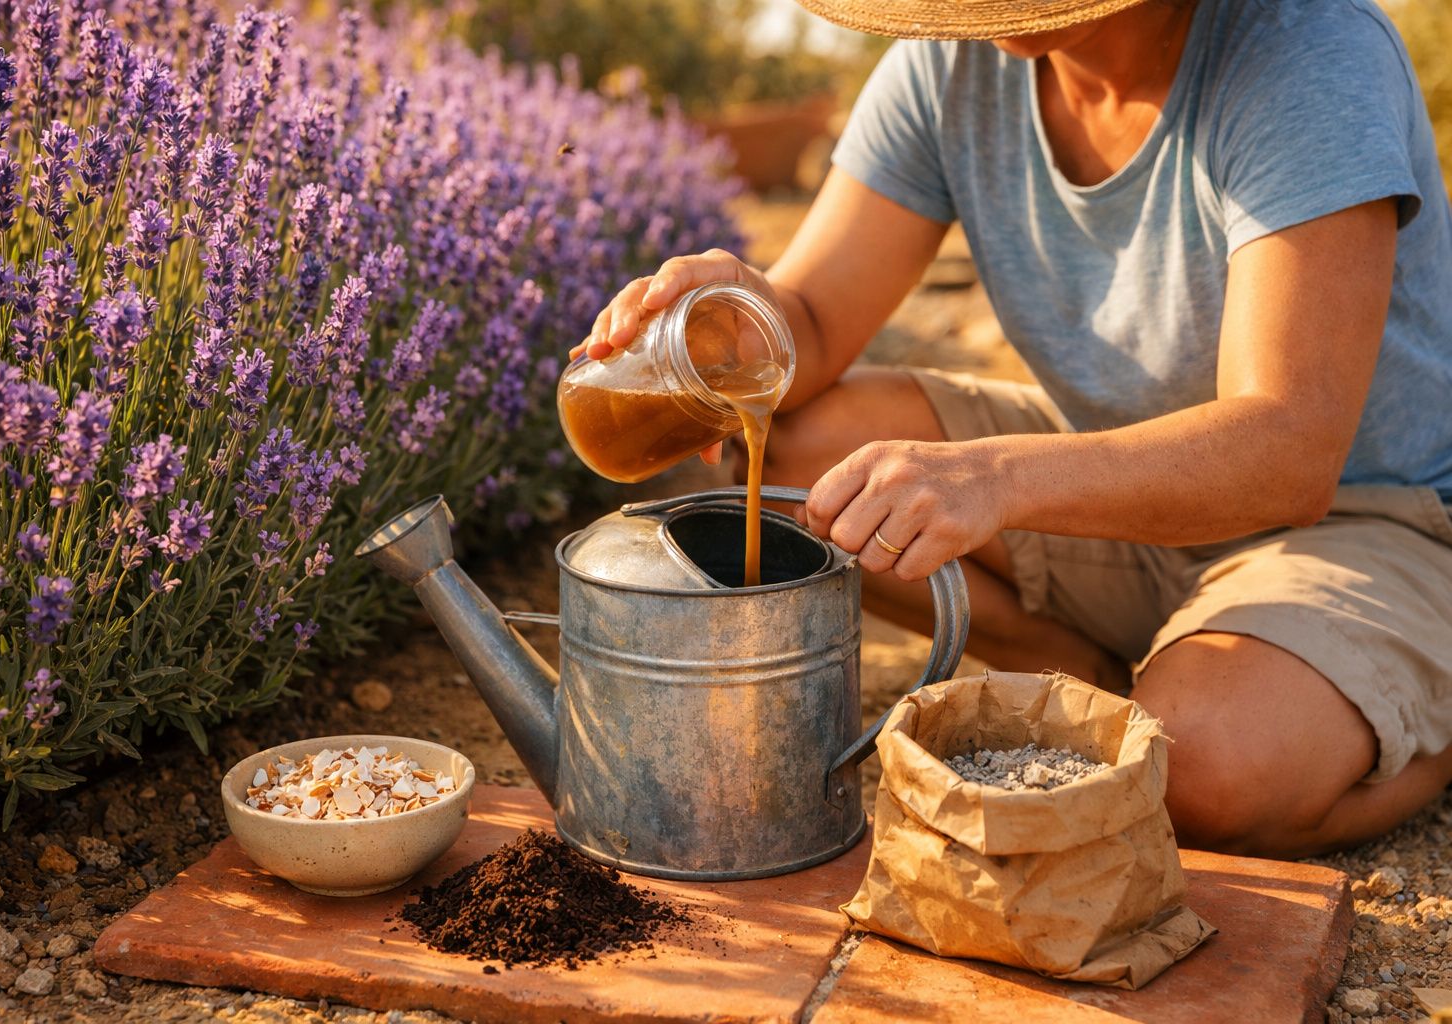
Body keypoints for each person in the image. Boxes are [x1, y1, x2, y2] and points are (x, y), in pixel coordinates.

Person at [570, 0, 1452, 859]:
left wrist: (995, 477)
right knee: (811, 464)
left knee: (1196, 775)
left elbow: (1287, 455)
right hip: (1121, 487)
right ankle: (1111, 675)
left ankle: (1411, 709)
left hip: (1359, 523)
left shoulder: (1303, 49)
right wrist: (729, 317)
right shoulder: (956, 61)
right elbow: (815, 320)